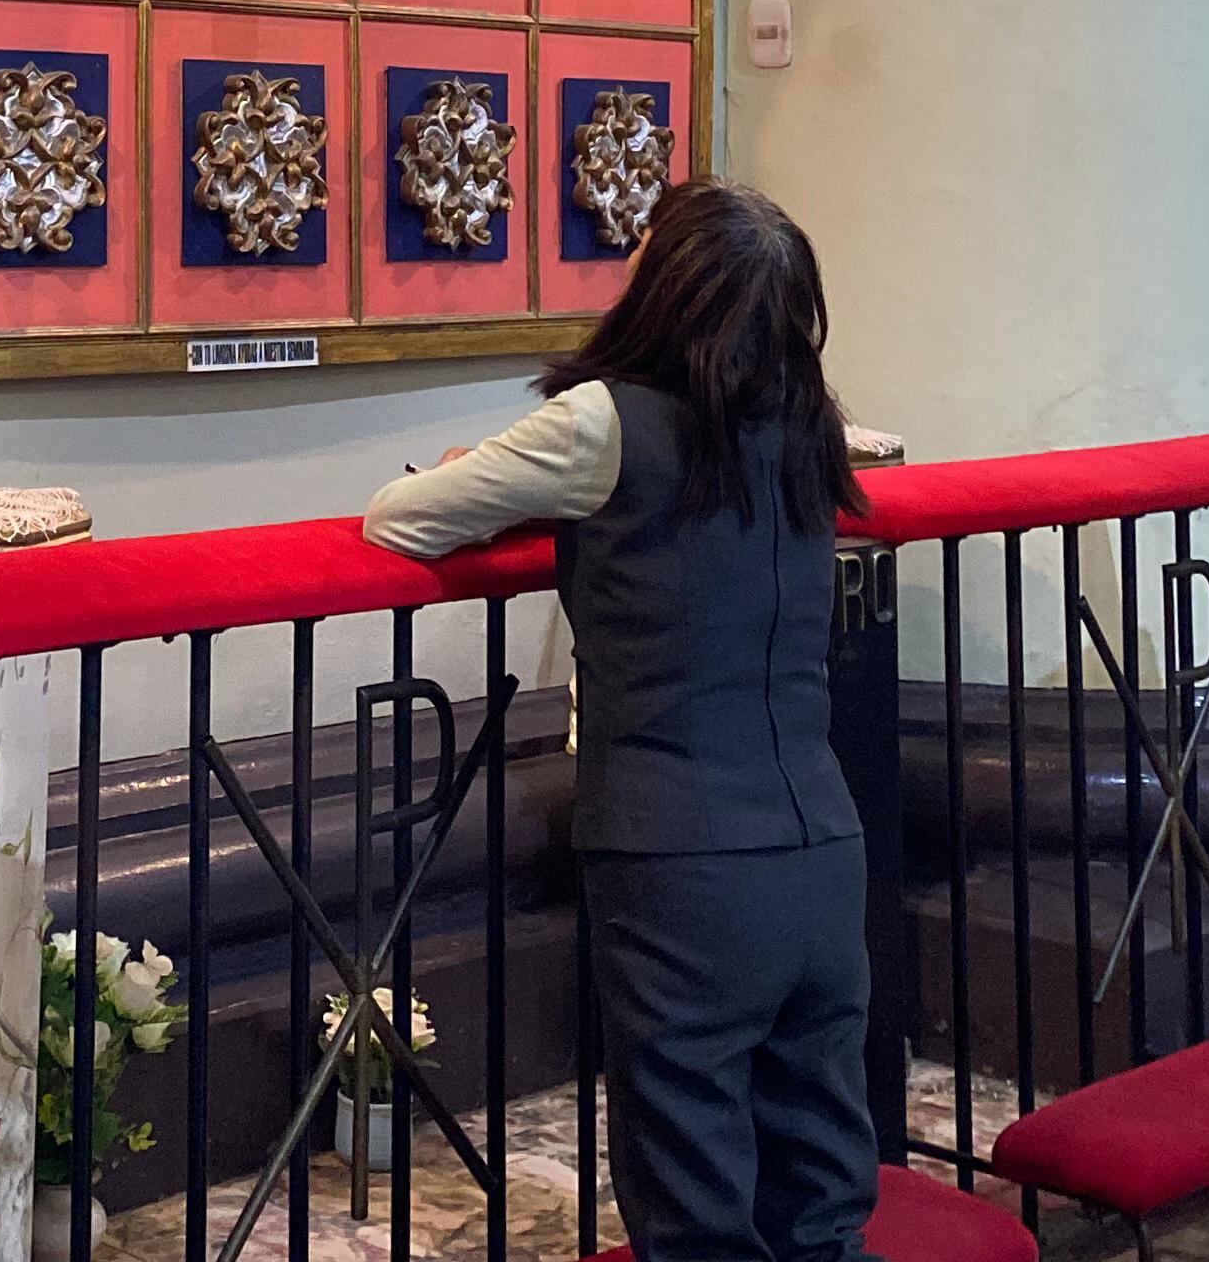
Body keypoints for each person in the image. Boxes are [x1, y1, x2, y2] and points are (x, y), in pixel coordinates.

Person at [362, 181, 876, 1262]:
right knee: (819, 1189)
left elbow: (398, 520)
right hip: (823, 839)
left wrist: (486, 484)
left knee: (691, 1191)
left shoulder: (605, 421)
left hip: (679, 850)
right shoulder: (808, 421)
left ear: (666, 280)